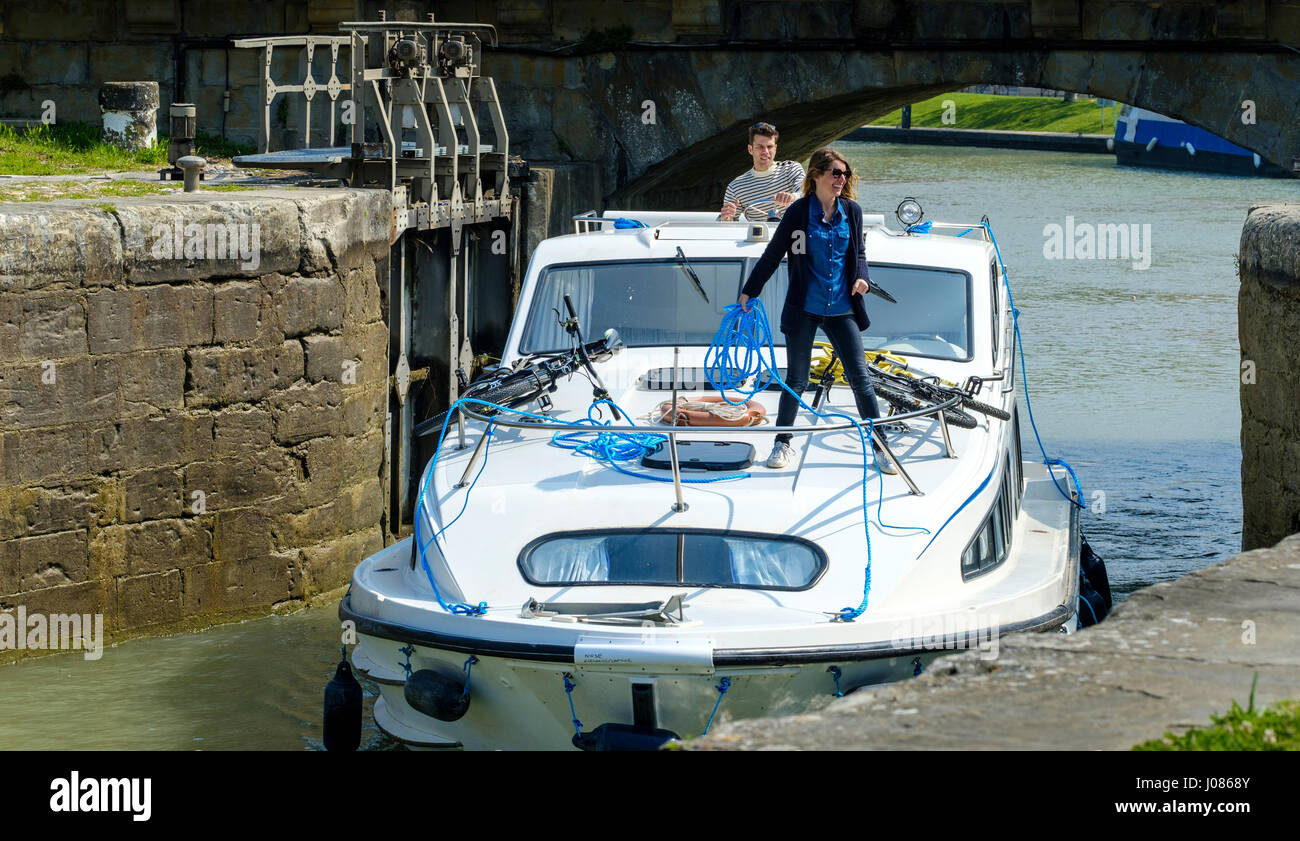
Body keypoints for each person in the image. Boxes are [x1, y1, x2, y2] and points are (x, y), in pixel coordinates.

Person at [737, 147, 896, 473]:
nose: (842, 179)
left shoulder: (852, 212)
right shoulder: (798, 212)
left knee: (860, 380)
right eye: (836, 173)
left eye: (845, 174)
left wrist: (862, 278)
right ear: (817, 176)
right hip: (804, 309)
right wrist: (750, 290)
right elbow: (773, 253)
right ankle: (782, 444)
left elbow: (860, 254)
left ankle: (880, 446)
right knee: (796, 379)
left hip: (841, 309)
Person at [720, 122, 805, 222]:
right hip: (758, 237)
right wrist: (727, 218)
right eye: (760, 147)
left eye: (769, 147)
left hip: (793, 235)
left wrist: (792, 197)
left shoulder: (791, 169)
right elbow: (729, 223)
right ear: (750, 149)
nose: (765, 151)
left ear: (775, 148)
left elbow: (807, 193)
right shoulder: (735, 187)